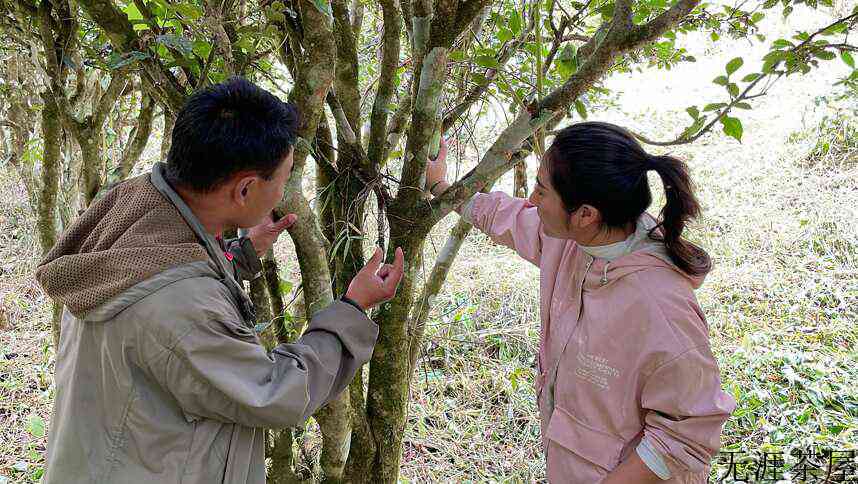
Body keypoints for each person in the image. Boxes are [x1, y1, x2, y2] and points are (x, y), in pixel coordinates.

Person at [34, 77, 404, 484]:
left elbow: (162, 276)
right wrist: (352, 309)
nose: (283, 190)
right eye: (282, 178)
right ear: (245, 189)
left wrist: (240, 255)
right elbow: (275, 393)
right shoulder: (183, 308)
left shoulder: (132, 203)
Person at [425, 122, 736, 483]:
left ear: (586, 214)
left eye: (542, 191)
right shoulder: (575, 240)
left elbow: (685, 436)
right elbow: (508, 218)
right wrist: (440, 187)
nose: (531, 201)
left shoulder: (660, 306)